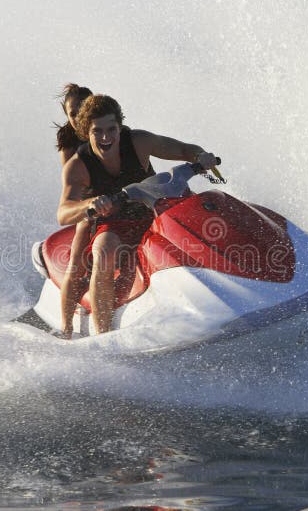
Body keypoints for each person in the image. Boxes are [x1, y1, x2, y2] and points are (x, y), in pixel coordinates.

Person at [57, 94, 218, 334]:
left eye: (111, 129)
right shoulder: (78, 165)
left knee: (204, 212)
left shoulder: (139, 141)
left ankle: (224, 280)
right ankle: (103, 334)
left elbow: (184, 150)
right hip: (114, 224)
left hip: (154, 210)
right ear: (86, 131)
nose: (105, 138)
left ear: (120, 127)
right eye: (97, 131)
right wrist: (91, 203)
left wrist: (200, 156)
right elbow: (63, 212)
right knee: (103, 250)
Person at [55, 83, 94, 338]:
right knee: (78, 262)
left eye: (82, 109)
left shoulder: (106, 129)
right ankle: (67, 327)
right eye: (72, 112)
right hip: (88, 201)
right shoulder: (68, 140)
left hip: (123, 194)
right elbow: (72, 178)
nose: (78, 115)